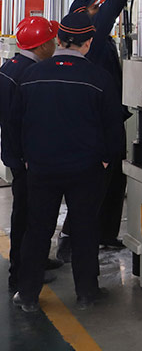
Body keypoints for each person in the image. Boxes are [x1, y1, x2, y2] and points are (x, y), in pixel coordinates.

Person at [10, 11, 124, 312]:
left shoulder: (31, 75)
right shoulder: (99, 78)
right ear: (88, 44)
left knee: (37, 229)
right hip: (85, 170)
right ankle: (87, 293)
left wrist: (23, 159)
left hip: (41, 168)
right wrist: (105, 160)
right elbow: (114, 127)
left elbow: (16, 122)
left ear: (58, 40)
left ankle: (28, 295)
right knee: (85, 229)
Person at [58, 0, 136, 261]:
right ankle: (69, 240)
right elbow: (111, 10)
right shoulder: (91, 37)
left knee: (115, 180)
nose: (98, 9)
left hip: (113, 116)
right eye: (93, 7)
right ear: (82, 15)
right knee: (93, 185)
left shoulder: (101, 41)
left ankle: (106, 234)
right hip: (97, 122)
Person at [0, 17, 60, 291]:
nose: (56, 44)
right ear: (42, 46)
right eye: (52, 40)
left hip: (16, 154)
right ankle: (21, 273)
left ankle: (35, 261)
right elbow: (25, 121)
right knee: (28, 215)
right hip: (27, 159)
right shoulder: (29, 74)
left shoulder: (11, 66)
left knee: (29, 213)